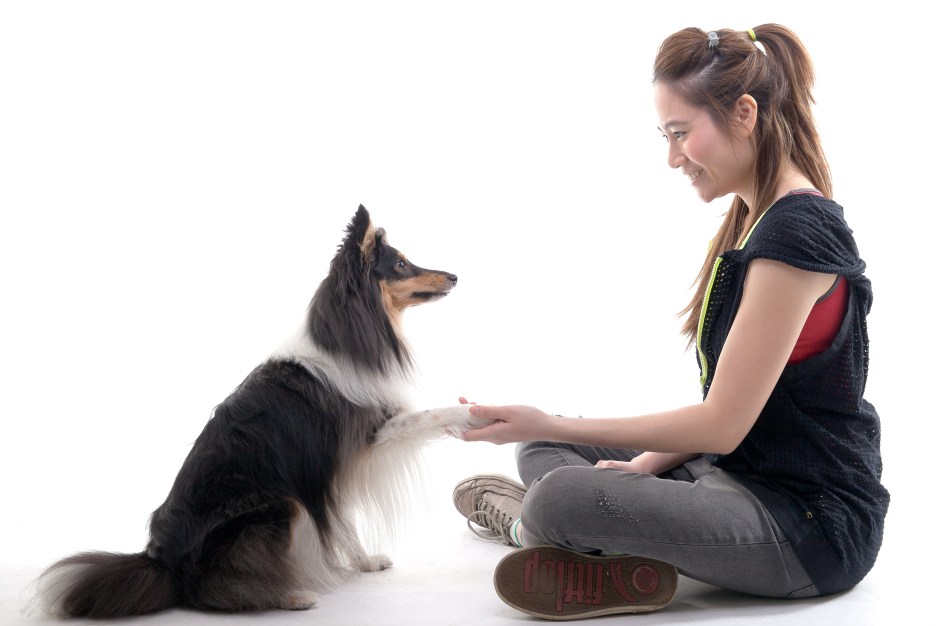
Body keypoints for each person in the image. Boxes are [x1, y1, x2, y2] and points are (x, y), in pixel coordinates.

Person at [452, 24, 889, 621]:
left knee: (557, 493)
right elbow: (733, 417)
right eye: (665, 136)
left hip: (804, 528)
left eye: (681, 134)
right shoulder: (755, 217)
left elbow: (722, 425)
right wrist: (639, 464)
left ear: (743, 113)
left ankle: (532, 527)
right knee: (544, 443)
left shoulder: (797, 232)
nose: (672, 158)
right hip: (734, 473)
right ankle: (580, 539)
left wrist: (598, 450)